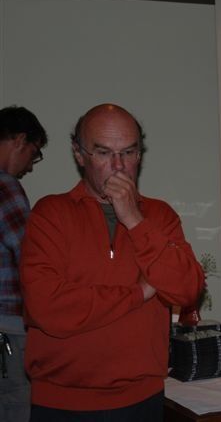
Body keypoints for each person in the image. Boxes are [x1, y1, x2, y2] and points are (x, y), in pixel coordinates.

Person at [20, 104, 205, 421]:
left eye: (128, 152)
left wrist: (134, 219)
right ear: (79, 155)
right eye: (104, 153)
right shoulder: (50, 214)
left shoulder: (159, 216)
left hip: (143, 400)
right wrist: (138, 293)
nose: (119, 166)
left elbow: (188, 290)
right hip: (61, 404)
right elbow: (46, 307)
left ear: (140, 155)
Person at [0, 106, 47, 422]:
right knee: (17, 408)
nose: (30, 166)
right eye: (34, 153)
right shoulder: (6, 186)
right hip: (8, 329)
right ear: (19, 140)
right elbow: (31, 259)